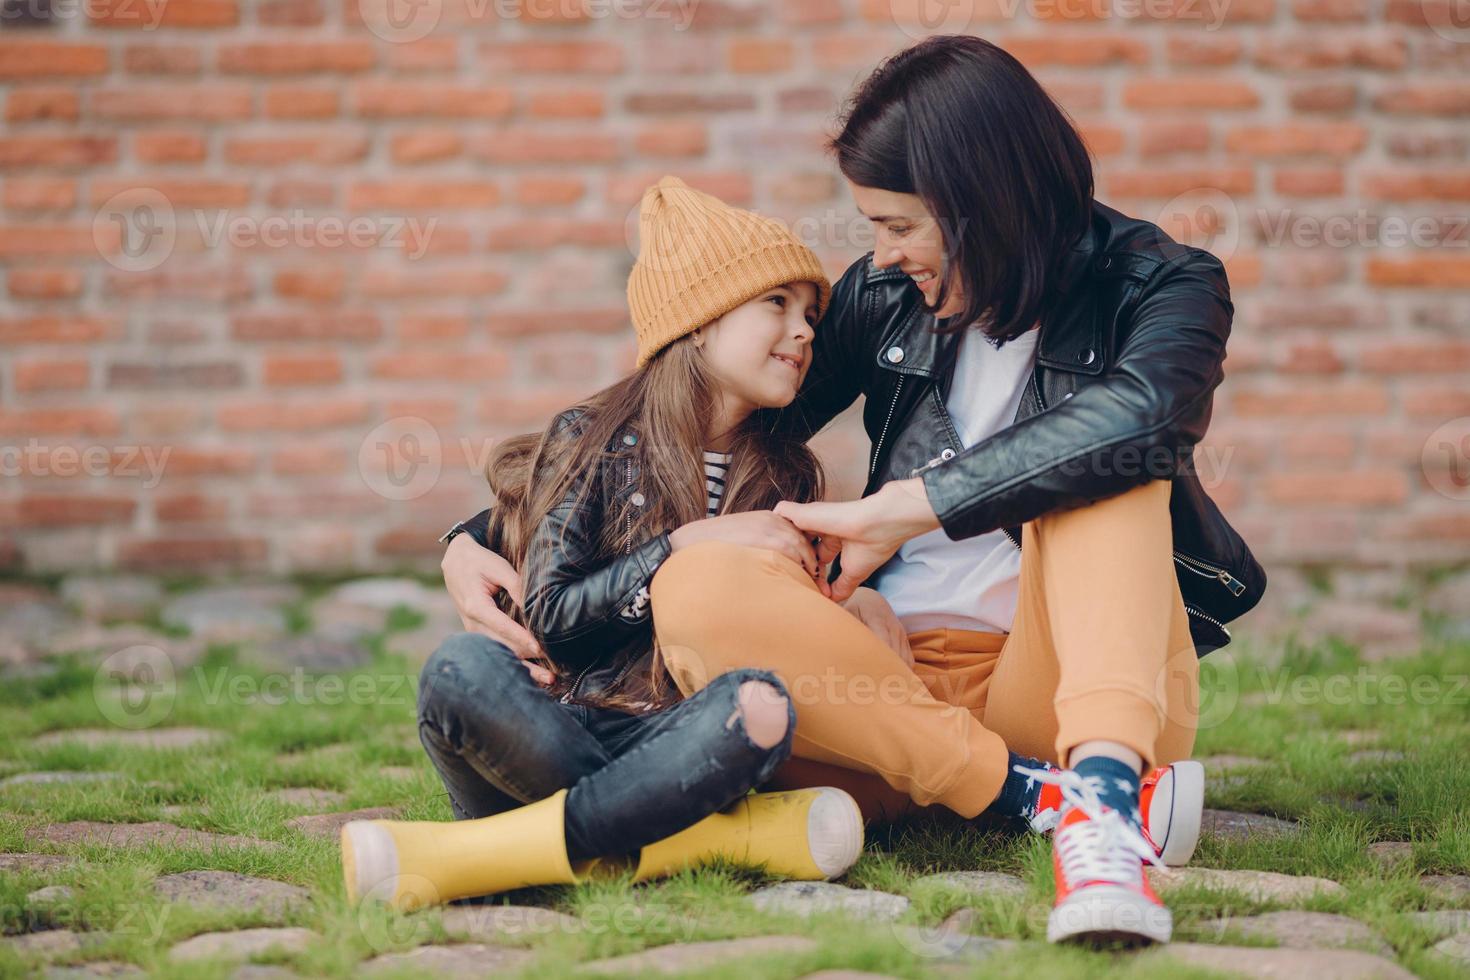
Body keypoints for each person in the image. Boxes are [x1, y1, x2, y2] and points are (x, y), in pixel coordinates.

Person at [440, 37, 1267, 946]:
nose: (881, 254)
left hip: (1067, 690)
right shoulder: (887, 300)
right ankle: (1030, 798)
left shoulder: (1164, 286)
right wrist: (478, 536)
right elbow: (707, 415)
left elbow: (1143, 420)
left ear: (981, 206)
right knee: (696, 579)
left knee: (1112, 475)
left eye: (900, 225)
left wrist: (912, 506)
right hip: (876, 693)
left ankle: (1103, 813)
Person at [343, 177, 867, 911]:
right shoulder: (587, 440)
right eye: (777, 304)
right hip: (555, 725)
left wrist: (857, 603)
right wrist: (684, 544)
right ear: (699, 322)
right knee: (459, 669)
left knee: (761, 706)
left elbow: (785, 624)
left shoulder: (788, 472)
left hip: (672, 739)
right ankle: (669, 834)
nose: (807, 330)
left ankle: (506, 853)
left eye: (811, 312)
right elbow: (553, 619)